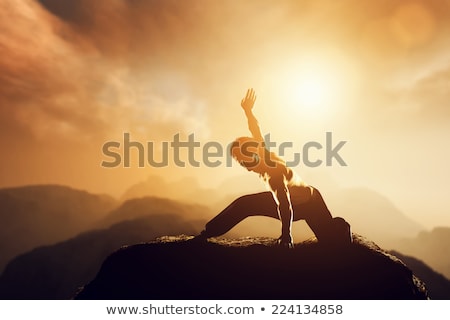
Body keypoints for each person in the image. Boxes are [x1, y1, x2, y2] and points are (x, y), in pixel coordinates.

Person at [197, 89, 352, 248]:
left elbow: (284, 204)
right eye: (239, 161)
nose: (243, 164)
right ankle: (206, 233)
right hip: (297, 199)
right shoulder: (262, 150)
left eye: (243, 159)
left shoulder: (273, 172)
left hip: (309, 203)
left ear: (252, 153)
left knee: (329, 240)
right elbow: (255, 129)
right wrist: (248, 111)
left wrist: (286, 235)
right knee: (244, 204)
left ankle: (341, 226)